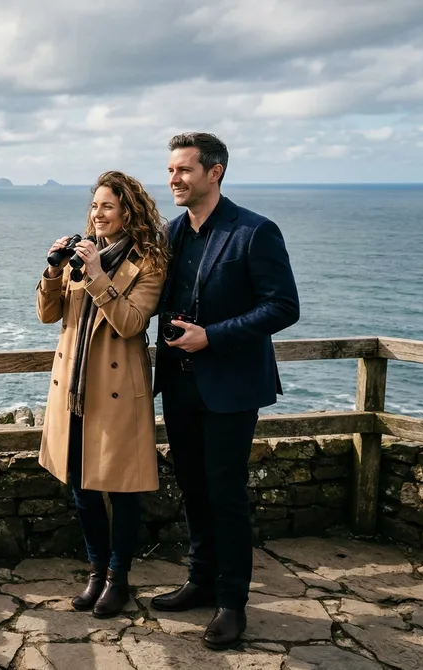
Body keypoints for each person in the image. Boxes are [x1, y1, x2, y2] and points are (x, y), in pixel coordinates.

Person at [150, 132, 299, 649]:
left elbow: (283, 307)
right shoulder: (170, 233)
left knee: (226, 495)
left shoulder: (254, 231)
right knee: (192, 488)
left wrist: (211, 336)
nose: (174, 179)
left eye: (184, 170)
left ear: (214, 172)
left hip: (231, 387)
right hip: (179, 385)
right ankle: (201, 580)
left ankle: (233, 603)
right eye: (170, 170)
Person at [36, 170, 170, 618]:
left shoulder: (148, 261)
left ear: (128, 211)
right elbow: (47, 314)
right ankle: (95, 572)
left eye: (107, 206)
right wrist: (54, 269)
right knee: (82, 487)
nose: (98, 214)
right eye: (94, 205)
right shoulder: (79, 256)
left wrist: (96, 274)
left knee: (124, 490)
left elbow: (132, 323)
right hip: (75, 389)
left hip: (116, 391)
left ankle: (119, 578)